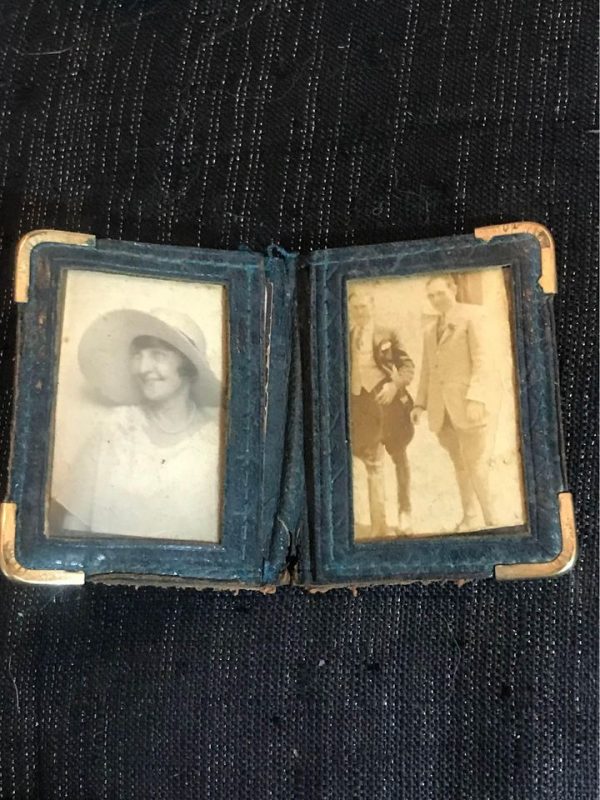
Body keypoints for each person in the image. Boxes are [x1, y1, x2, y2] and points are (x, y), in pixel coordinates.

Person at [57, 307, 223, 542]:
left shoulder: (215, 445)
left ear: (188, 367)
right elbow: (73, 526)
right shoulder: (113, 429)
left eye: (158, 355)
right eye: (138, 355)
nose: (143, 368)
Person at [411, 274, 496, 531]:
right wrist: (419, 404)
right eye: (431, 296)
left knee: (476, 464)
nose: (436, 299)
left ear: (454, 289)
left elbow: (482, 361)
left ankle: (493, 521)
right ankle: (470, 517)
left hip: (468, 407)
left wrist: (476, 398)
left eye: (440, 293)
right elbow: (427, 370)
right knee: (459, 464)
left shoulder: (472, 317)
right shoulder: (430, 330)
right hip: (442, 411)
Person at [348, 289, 415, 536]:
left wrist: (394, 385)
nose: (359, 313)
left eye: (364, 307)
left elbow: (407, 366)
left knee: (398, 457)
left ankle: (405, 513)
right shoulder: (348, 335)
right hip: (363, 405)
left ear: (372, 307)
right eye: (355, 308)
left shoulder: (388, 334)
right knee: (372, 462)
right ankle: (379, 526)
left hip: (389, 404)